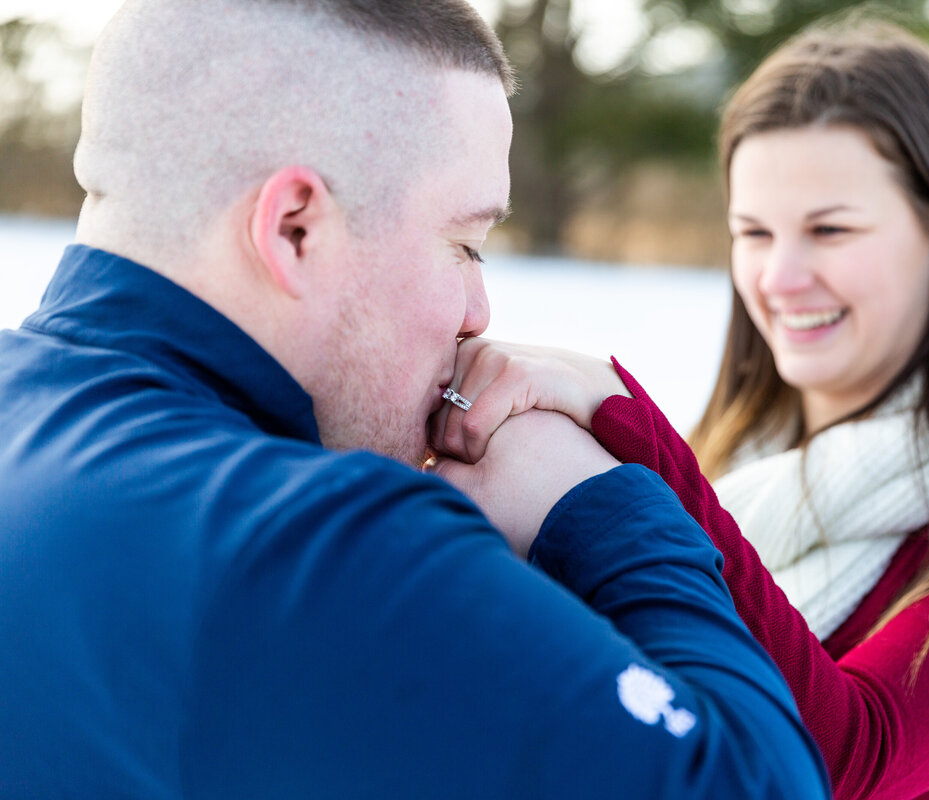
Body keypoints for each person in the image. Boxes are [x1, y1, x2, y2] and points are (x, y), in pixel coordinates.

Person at [0, 1, 832, 797]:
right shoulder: (315, 546)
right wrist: (595, 506)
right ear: (295, 227)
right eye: (465, 243)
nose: (480, 311)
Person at [430, 20, 929, 800]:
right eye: (754, 233)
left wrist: (628, 432)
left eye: (829, 230)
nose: (780, 275)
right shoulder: (740, 462)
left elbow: (837, 759)